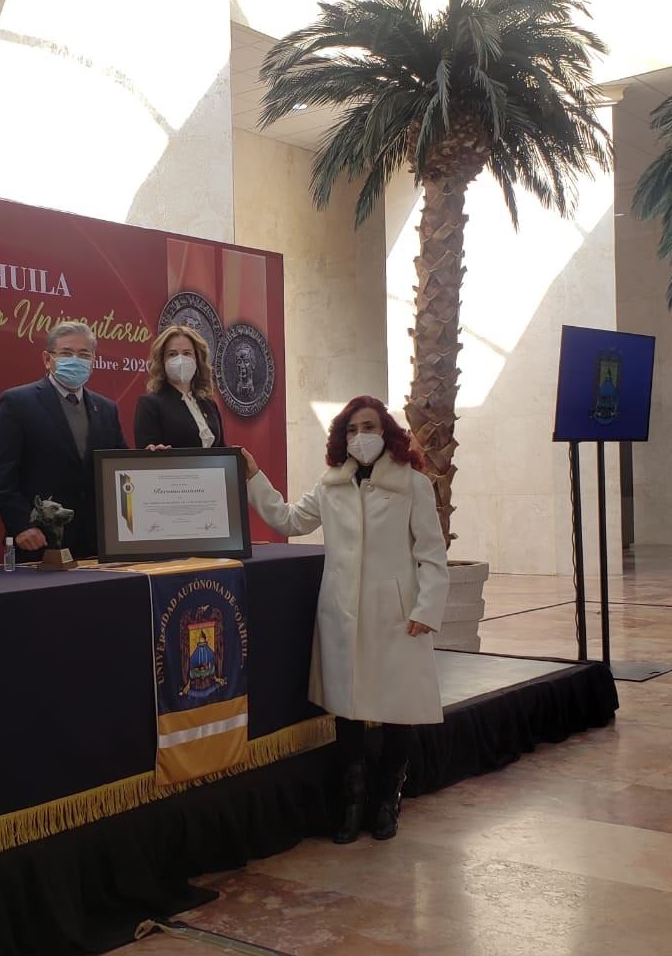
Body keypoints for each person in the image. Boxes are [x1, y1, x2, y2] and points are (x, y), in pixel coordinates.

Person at [240, 396, 449, 843]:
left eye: (368, 427)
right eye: (351, 430)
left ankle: (388, 800)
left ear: (386, 432)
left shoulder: (413, 485)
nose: (360, 437)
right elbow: (289, 520)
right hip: (343, 613)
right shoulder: (331, 485)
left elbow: (432, 555)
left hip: (396, 616)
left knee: (398, 709)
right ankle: (352, 804)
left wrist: (426, 608)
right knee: (348, 710)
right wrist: (254, 477)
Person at [0, 321, 128, 559]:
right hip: (40, 541)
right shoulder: (18, 402)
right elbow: (2, 473)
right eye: (66, 353)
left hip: (97, 543)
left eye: (84, 354)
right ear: (47, 359)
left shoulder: (106, 409)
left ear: (93, 361)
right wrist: (22, 524)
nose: (75, 360)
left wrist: (151, 460)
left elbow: (120, 467)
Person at [133, 325, 224, 449]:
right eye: (172, 354)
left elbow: (222, 449)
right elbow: (145, 451)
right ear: (162, 360)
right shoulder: (150, 404)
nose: (180, 359)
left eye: (187, 353)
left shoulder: (209, 405)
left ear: (197, 359)